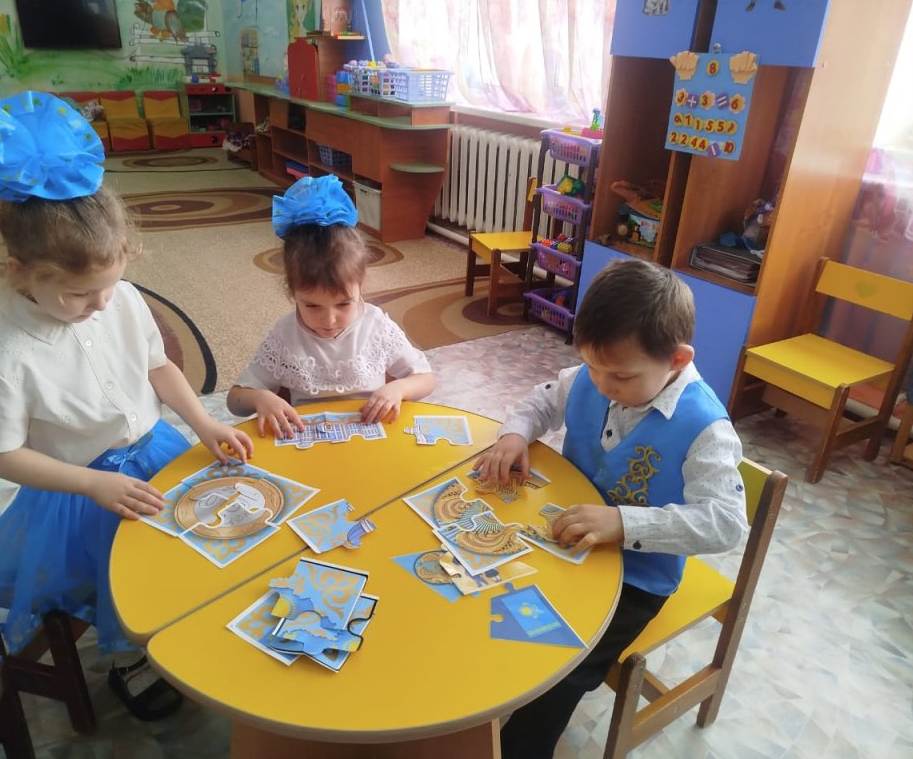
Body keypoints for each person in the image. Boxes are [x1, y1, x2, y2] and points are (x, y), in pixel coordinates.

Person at [0, 91, 254, 722]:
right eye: (78, 295)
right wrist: (92, 483)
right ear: (20, 272)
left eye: (109, 286)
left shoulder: (119, 298)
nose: (99, 305)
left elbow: (159, 367)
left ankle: (180, 619)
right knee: (115, 575)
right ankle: (128, 660)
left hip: (155, 452)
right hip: (80, 489)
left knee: (184, 548)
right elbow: (0, 454)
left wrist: (204, 422)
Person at [474, 259, 748, 758]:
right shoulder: (594, 375)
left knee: (565, 664)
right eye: (592, 366)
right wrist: (515, 433)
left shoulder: (706, 428)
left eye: (619, 375)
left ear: (678, 359)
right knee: (483, 591)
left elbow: (726, 524)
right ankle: (484, 696)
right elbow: (542, 400)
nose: (601, 384)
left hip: (638, 579)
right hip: (567, 541)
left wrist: (623, 523)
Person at [227, 175, 435, 436]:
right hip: (309, 442)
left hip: (371, 439)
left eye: (343, 304)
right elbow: (234, 400)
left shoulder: (377, 326)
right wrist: (260, 398)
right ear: (292, 293)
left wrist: (399, 388)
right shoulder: (284, 335)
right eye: (312, 306)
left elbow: (426, 379)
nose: (329, 320)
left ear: (361, 285)